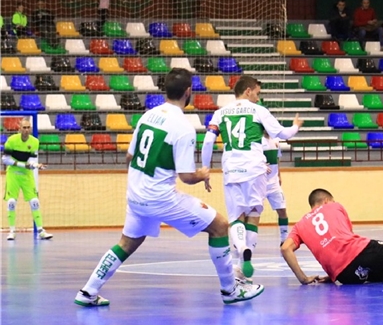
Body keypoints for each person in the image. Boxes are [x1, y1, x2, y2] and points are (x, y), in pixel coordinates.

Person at [74, 69, 264, 307]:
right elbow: (186, 177)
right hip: (161, 198)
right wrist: (202, 173)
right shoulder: (183, 127)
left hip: (136, 195)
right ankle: (230, 290)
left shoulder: (148, 116)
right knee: (220, 226)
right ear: (188, 92)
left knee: (127, 243)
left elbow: (129, 156)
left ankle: (88, 291)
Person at [201, 76, 303, 280]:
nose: (258, 98)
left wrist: (205, 168)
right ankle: (244, 262)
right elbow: (283, 134)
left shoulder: (220, 113)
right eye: (257, 93)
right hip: (256, 169)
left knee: (235, 217)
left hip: (232, 169)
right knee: (253, 216)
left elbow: (208, 141)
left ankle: (241, 248)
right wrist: (296, 125)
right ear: (247, 91)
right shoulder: (258, 110)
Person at [2, 118, 52, 241]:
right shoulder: (12, 140)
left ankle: (40, 230)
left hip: (26, 175)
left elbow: (31, 159)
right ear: (19, 129)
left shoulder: (35, 142)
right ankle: (12, 231)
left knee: (34, 201)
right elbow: (5, 160)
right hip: (13, 174)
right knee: (11, 202)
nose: (26, 130)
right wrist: (23, 165)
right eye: (24, 127)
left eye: (28, 127)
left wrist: (35, 165)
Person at [262, 131, 289, 245]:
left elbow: (277, 159)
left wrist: (279, 175)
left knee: (282, 210)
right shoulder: (256, 140)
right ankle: (243, 240)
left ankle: (284, 239)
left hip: (273, 183)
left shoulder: (275, 140)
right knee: (250, 212)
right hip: (259, 182)